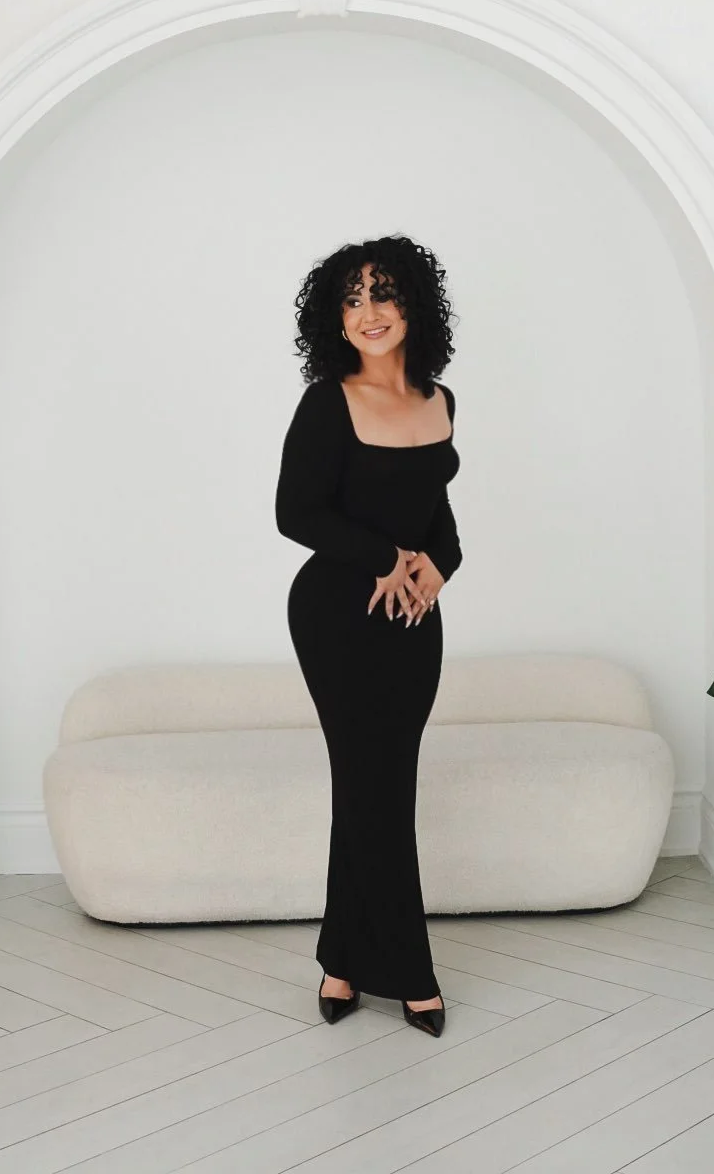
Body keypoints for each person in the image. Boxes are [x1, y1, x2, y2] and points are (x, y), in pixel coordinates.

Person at [275, 234, 462, 1039]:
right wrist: (387, 557)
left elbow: (437, 511)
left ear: (413, 303)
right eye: (351, 300)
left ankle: (342, 961)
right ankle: (411, 973)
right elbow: (295, 513)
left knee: (383, 787)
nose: (368, 312)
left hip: (414, 619)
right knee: (367, 787)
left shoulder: (440, 400)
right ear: (334, 319)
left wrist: (438, 567)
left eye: (383, 293)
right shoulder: (328, 402)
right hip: (335, 616)